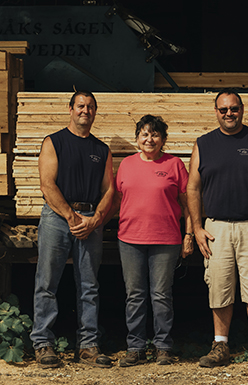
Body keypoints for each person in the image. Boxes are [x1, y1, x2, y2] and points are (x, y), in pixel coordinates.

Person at [187, 89, 248, 367]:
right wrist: (197, 226)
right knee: (219, 286)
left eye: (234, 109)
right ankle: (220, 345)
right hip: (216, 227)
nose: (229, 114)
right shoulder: (203, 144)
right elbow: (192, 188)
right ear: (215, 112)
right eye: (223, 109)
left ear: (242, 109)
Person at [30, 90, 114, 369]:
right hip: (57, 218)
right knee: (47, 282)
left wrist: (95, 218)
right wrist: (70, 216)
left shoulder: (101, 150)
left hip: (90, 219)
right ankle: (43, 342)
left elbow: (109, 189)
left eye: (90, 107)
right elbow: (47, 184)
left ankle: (88, 345)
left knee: (89, 285)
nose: (85, 111)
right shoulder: (54, 142)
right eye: (80, 106)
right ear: (70, 109)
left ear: (94, 112)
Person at [104, 114, 194, 367]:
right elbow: (116, 200)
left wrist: (189, 234)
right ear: (137, 139)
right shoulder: (127, 165)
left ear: (163, 140)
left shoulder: (175, 164)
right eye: (144, 134)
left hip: (166, 239)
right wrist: (96, 224)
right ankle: (136, 347)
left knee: (161, 294)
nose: (149, 139)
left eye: (155, 134)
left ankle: (163, 346)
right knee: (135, 295)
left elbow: (189, 203)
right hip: (130, 239)